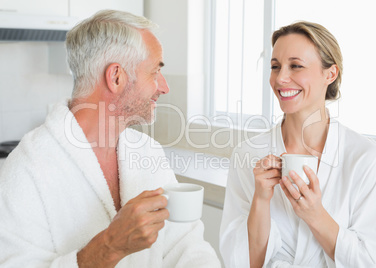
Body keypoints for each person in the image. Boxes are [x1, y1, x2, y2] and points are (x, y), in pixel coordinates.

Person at [0, 10, 220, 267]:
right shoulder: (28, 169)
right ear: (116, 77)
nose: (164, 87)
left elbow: (186, 246)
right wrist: (109, 247)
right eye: (154, 72)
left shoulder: (147, 152)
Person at [219, 21, 376, 267]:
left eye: (296, 66)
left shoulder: (364, 158)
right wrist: (261, 201)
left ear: (330, 74)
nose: (281, 78)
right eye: (275, 67)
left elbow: (369, 262)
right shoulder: (247, 154)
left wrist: (316, 215)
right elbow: (244, 263)